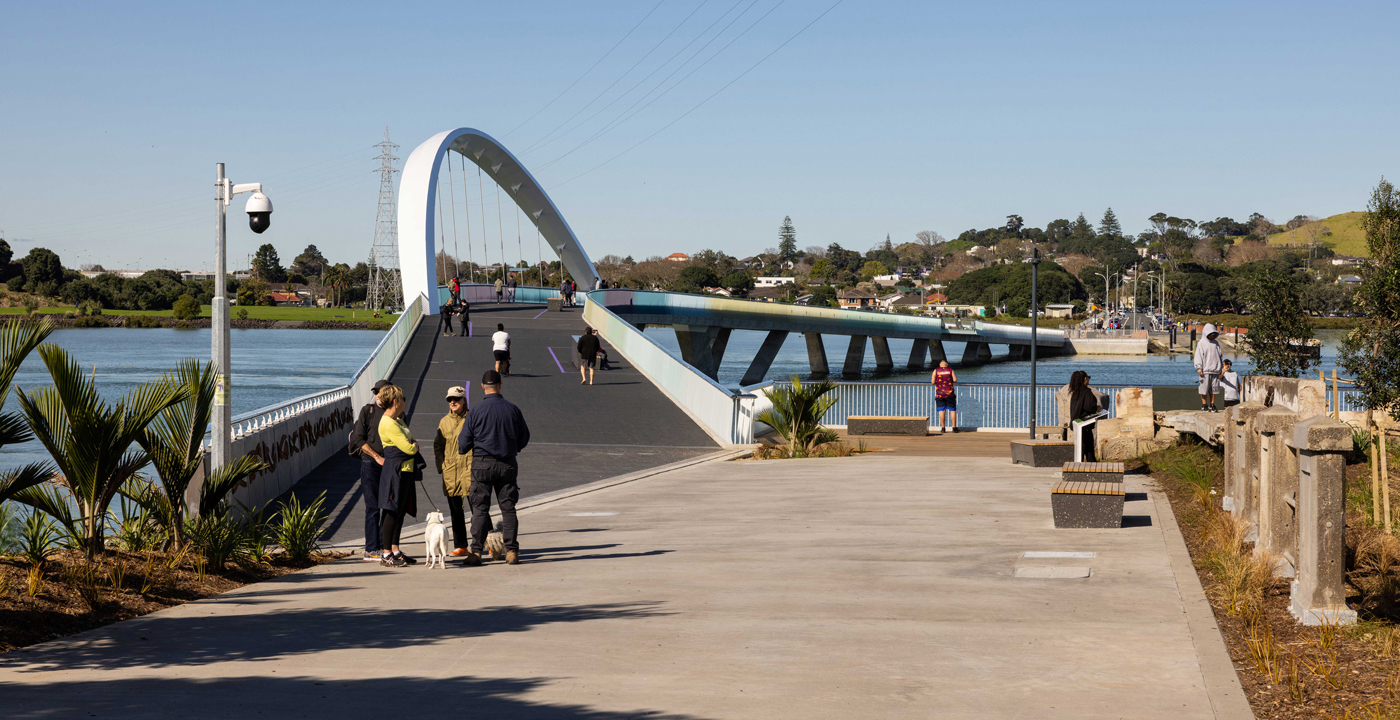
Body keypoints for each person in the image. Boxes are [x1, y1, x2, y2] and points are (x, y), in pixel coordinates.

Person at [457, 369, 531, 566]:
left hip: (482, 463)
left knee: (480, 508)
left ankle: (476, 552)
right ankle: (511, 550)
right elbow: (524, 438)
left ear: (483, 386)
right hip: (507, 463)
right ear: (500, 385)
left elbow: (463, 444)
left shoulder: (476, 411)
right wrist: (512, 447)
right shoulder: (513, 409)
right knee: (508, 508)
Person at [376, 384, 424, 567]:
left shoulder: (399, 421)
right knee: (391, 512)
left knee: (401, 511)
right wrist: (413, 445)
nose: (405, 401)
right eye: (403, 399)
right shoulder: (388, 423)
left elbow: (410, 442)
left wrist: (412, 444)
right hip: (395, 472)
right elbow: (409, 447)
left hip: (405, 471)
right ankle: (386, 553)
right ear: (396, 401)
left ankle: (395, 550)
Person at [349, 379, 391, 562]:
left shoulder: (396, 413)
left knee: (388, 507)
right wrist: (376, 457)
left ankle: (386, 547)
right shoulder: (368, 411)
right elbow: (358, 439)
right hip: (370, 464)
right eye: (375, 392)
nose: (377, 395)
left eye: (380, 392)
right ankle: (372, 549)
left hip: (390, 465)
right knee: (372, 507)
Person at [433, 386, 473, 556]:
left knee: (479, 509)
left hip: (470, 470)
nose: (453, 402)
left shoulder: (473, 418)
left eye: (456, 399)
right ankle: (461, 546)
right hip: (451, 472)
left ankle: (488, 543)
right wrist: (441, 466)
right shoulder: (444, 422)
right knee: (456, 511)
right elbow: (438, 446)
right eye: (450, 399)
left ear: (464, 400)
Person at [1068, 370, 1100, 462]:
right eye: (1088, 378)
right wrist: (1097, 408)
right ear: (1085, 379)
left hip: (1077, 424)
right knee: (1086, 449)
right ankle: (1088, 466)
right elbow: (1089, 406)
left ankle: (1088, 465)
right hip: (1085, 425)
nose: (1089, 379)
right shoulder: (1086, 392)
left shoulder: (1075, 393)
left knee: (1084, 449)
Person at [1194, 322, 1224, 412]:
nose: (1212, 336)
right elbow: (1198, 356)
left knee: (1214, 389)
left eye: (1214, 334)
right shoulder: (1201, 343)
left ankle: (1212, 404)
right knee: (1204, 388)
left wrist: (1221, 366)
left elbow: (1220, 355)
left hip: (1215, 369)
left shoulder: (1216, 343)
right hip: (1205, 370)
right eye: (1211, 334)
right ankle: (1204, 405)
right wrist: (1198, 367)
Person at [931, 360, 957, 433]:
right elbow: (955, 380)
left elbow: (933, 382)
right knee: (952, 410)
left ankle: (943, 428)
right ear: (947, 364)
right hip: (950, 393)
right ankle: (954, 427)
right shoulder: (950, 370)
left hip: (940, 394)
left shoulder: (936, 370)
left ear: (940, 364)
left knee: (941, 411)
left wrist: (938, 382)